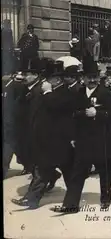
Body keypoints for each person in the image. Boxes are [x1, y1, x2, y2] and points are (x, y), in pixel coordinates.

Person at [50, 58, 111, 214]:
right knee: (77, 173)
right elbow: (72, 114)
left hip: (102, 140)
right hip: (83, 140)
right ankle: (71, 204)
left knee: (104, 171)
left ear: (99, 78)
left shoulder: (105, 93)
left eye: (95, 77)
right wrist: (74, 135)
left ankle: (105, 199)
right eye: (89, 77)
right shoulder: (79, 93)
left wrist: (98, 113)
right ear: (83, 78)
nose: (92, 80)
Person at [12, 61, 75, 209]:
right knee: (43, 170)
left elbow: (56, 107)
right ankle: (31, 199)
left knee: (68, 173)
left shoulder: (65, 92)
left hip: (61, 140)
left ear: (58, 80)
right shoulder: (50, 91)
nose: (45, 82)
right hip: (49, 140)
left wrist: (47, 92)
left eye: (49, 79)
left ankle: (72, 199)